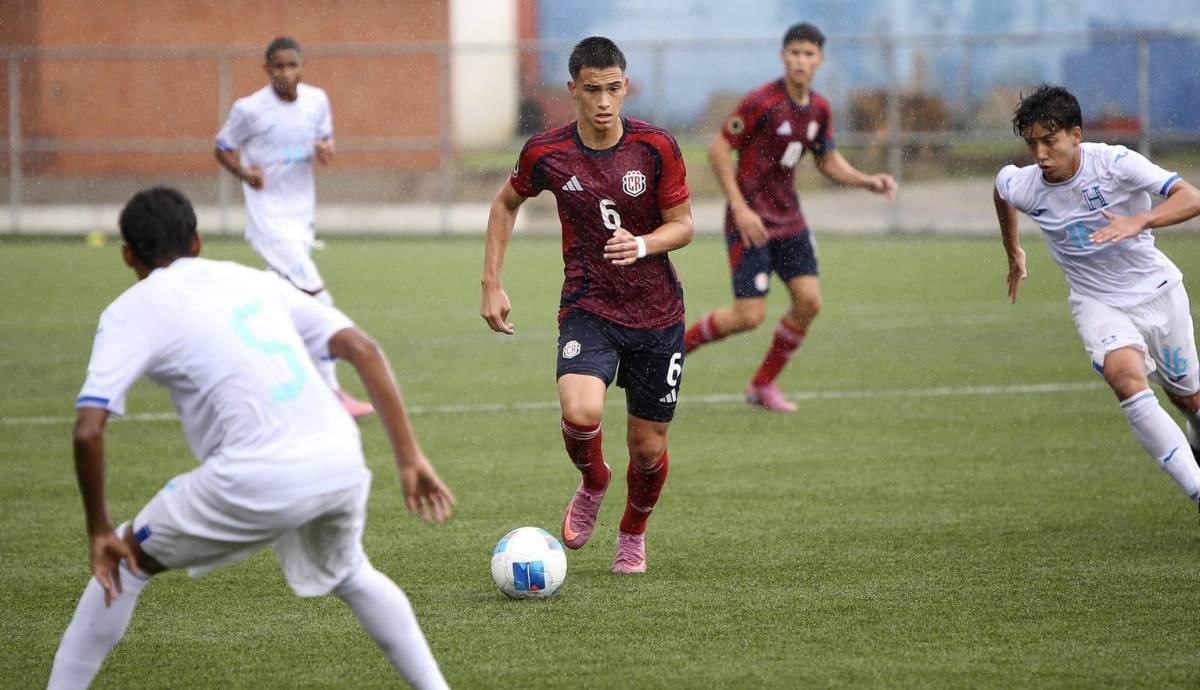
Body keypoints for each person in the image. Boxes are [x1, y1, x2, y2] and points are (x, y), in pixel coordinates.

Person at [48, 187, 456, 689]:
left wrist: (98, 529)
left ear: (128, 255)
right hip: (339, 459)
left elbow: (88, 430)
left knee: (123, 561)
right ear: (196, 242)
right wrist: (409, 457)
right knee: (351, 572)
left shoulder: (130, 310)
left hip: (256, 475)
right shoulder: (253, 280)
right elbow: (363, 349)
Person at [480, 37, 693, 574]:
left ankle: (632, 532)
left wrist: (642, 244)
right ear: (573, 90)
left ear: (626, 87)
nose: (604, 101)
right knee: (580, 411)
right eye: (592, 89)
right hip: (588, 305)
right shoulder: (546, 152)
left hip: (657, 315)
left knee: (647, 449)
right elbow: (505, 204)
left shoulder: (655, 147)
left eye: (613, 88)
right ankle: (594, 480)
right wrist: (491, 283)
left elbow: (684, 225)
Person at [995, 84, 1200, 512]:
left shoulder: (1116, 163)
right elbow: (1001, 190)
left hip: (1158, 292)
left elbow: (1191, 197)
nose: (1040, 154)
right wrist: (1013, 250)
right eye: (1032, 144)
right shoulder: (1026, 185)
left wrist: (1140, 221)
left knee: (1190, 400)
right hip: (1097, 301)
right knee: (1124, 377)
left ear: (1076, 135)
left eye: (1049, 141)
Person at [683, 22, 897, 412]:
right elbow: (718, 150)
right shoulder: (761, 102)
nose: (801, 60)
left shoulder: (819, 108)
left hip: (790, 221)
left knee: (809, 302)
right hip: (751, 222)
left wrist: (866, 181)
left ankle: (762, 385)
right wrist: (740, 208)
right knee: (749, 316)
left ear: (820, 60)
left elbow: (827, 160)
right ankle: (675, 349)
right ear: (783, 56)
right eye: (794, 53)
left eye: (808, 54)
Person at [214, 36, 373, 418]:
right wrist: (244, 174)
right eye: (278, 66)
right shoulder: (250, 109)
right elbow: (222, 146)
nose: (285, 73)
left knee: (285, 307)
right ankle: (330, 393)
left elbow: (325, 142)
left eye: (292, 65)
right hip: (269, 222)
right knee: (320, 303)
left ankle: (262, 379)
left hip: (301, 218)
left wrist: (326, 149)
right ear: (266, 69)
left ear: (302, 67)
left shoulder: (317, 101)